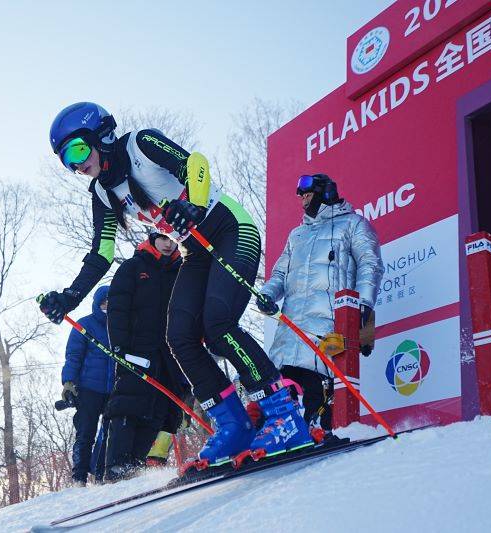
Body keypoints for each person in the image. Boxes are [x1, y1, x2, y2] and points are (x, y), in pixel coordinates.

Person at [39, 102, 311, 464]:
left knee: (218, 325)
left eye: (76, 150)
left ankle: (284, 414)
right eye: (65, 160)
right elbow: (101, 253)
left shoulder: (140, 144)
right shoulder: (103, 193)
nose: (75, 165)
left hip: (229, 229)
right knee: (179, 337)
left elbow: (194, 164)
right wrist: (69, 297)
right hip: (194, 252)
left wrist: (194, 206)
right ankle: (233, 424)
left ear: (100, 136)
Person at [257, 174, 383, 436]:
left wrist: (363, 305)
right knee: (282, 381)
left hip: (328, 326)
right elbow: (279, 274)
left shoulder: (354, 224)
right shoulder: (297, 234)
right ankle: (279, 432)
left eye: (306, 192)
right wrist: (267, 294)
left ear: (326, 191)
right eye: (299, 193)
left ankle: (317, 425)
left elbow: (370, 265)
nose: (301, 197)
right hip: (291, 327)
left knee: (317, 381)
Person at [103, 232, 186, 481]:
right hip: (136, 348)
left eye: (172, 239)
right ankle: (116, 465)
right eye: (163, 237)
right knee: (130, 403)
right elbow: (117, 309)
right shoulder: (133, 267)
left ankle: (135, 468)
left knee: (158, 409)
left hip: (168, 353)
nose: (168, 243)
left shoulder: (181, 271)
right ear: (152, 237)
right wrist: (119, 346)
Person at [61, 285, 114, 486]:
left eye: (111, 302)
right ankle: (79, 477)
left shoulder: (120, 325)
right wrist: (69, 382)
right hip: (89, 388)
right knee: (86, 432)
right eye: (104, 302)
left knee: (109, 433)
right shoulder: (84, 325)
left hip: (113, 390)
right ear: (97, 303)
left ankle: (101, 473)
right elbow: (73, 356)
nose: (108, 306)